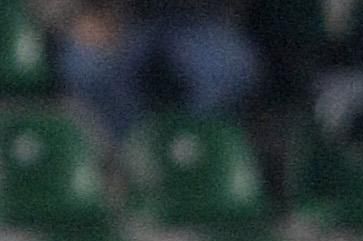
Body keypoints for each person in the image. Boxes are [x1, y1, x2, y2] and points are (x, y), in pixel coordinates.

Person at [49, 0, 261, 141]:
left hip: (193, 24)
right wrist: (87, 16)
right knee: (87, 65)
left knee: (232, 63)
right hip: (116, 23)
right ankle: (133, 161)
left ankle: (201, 157)